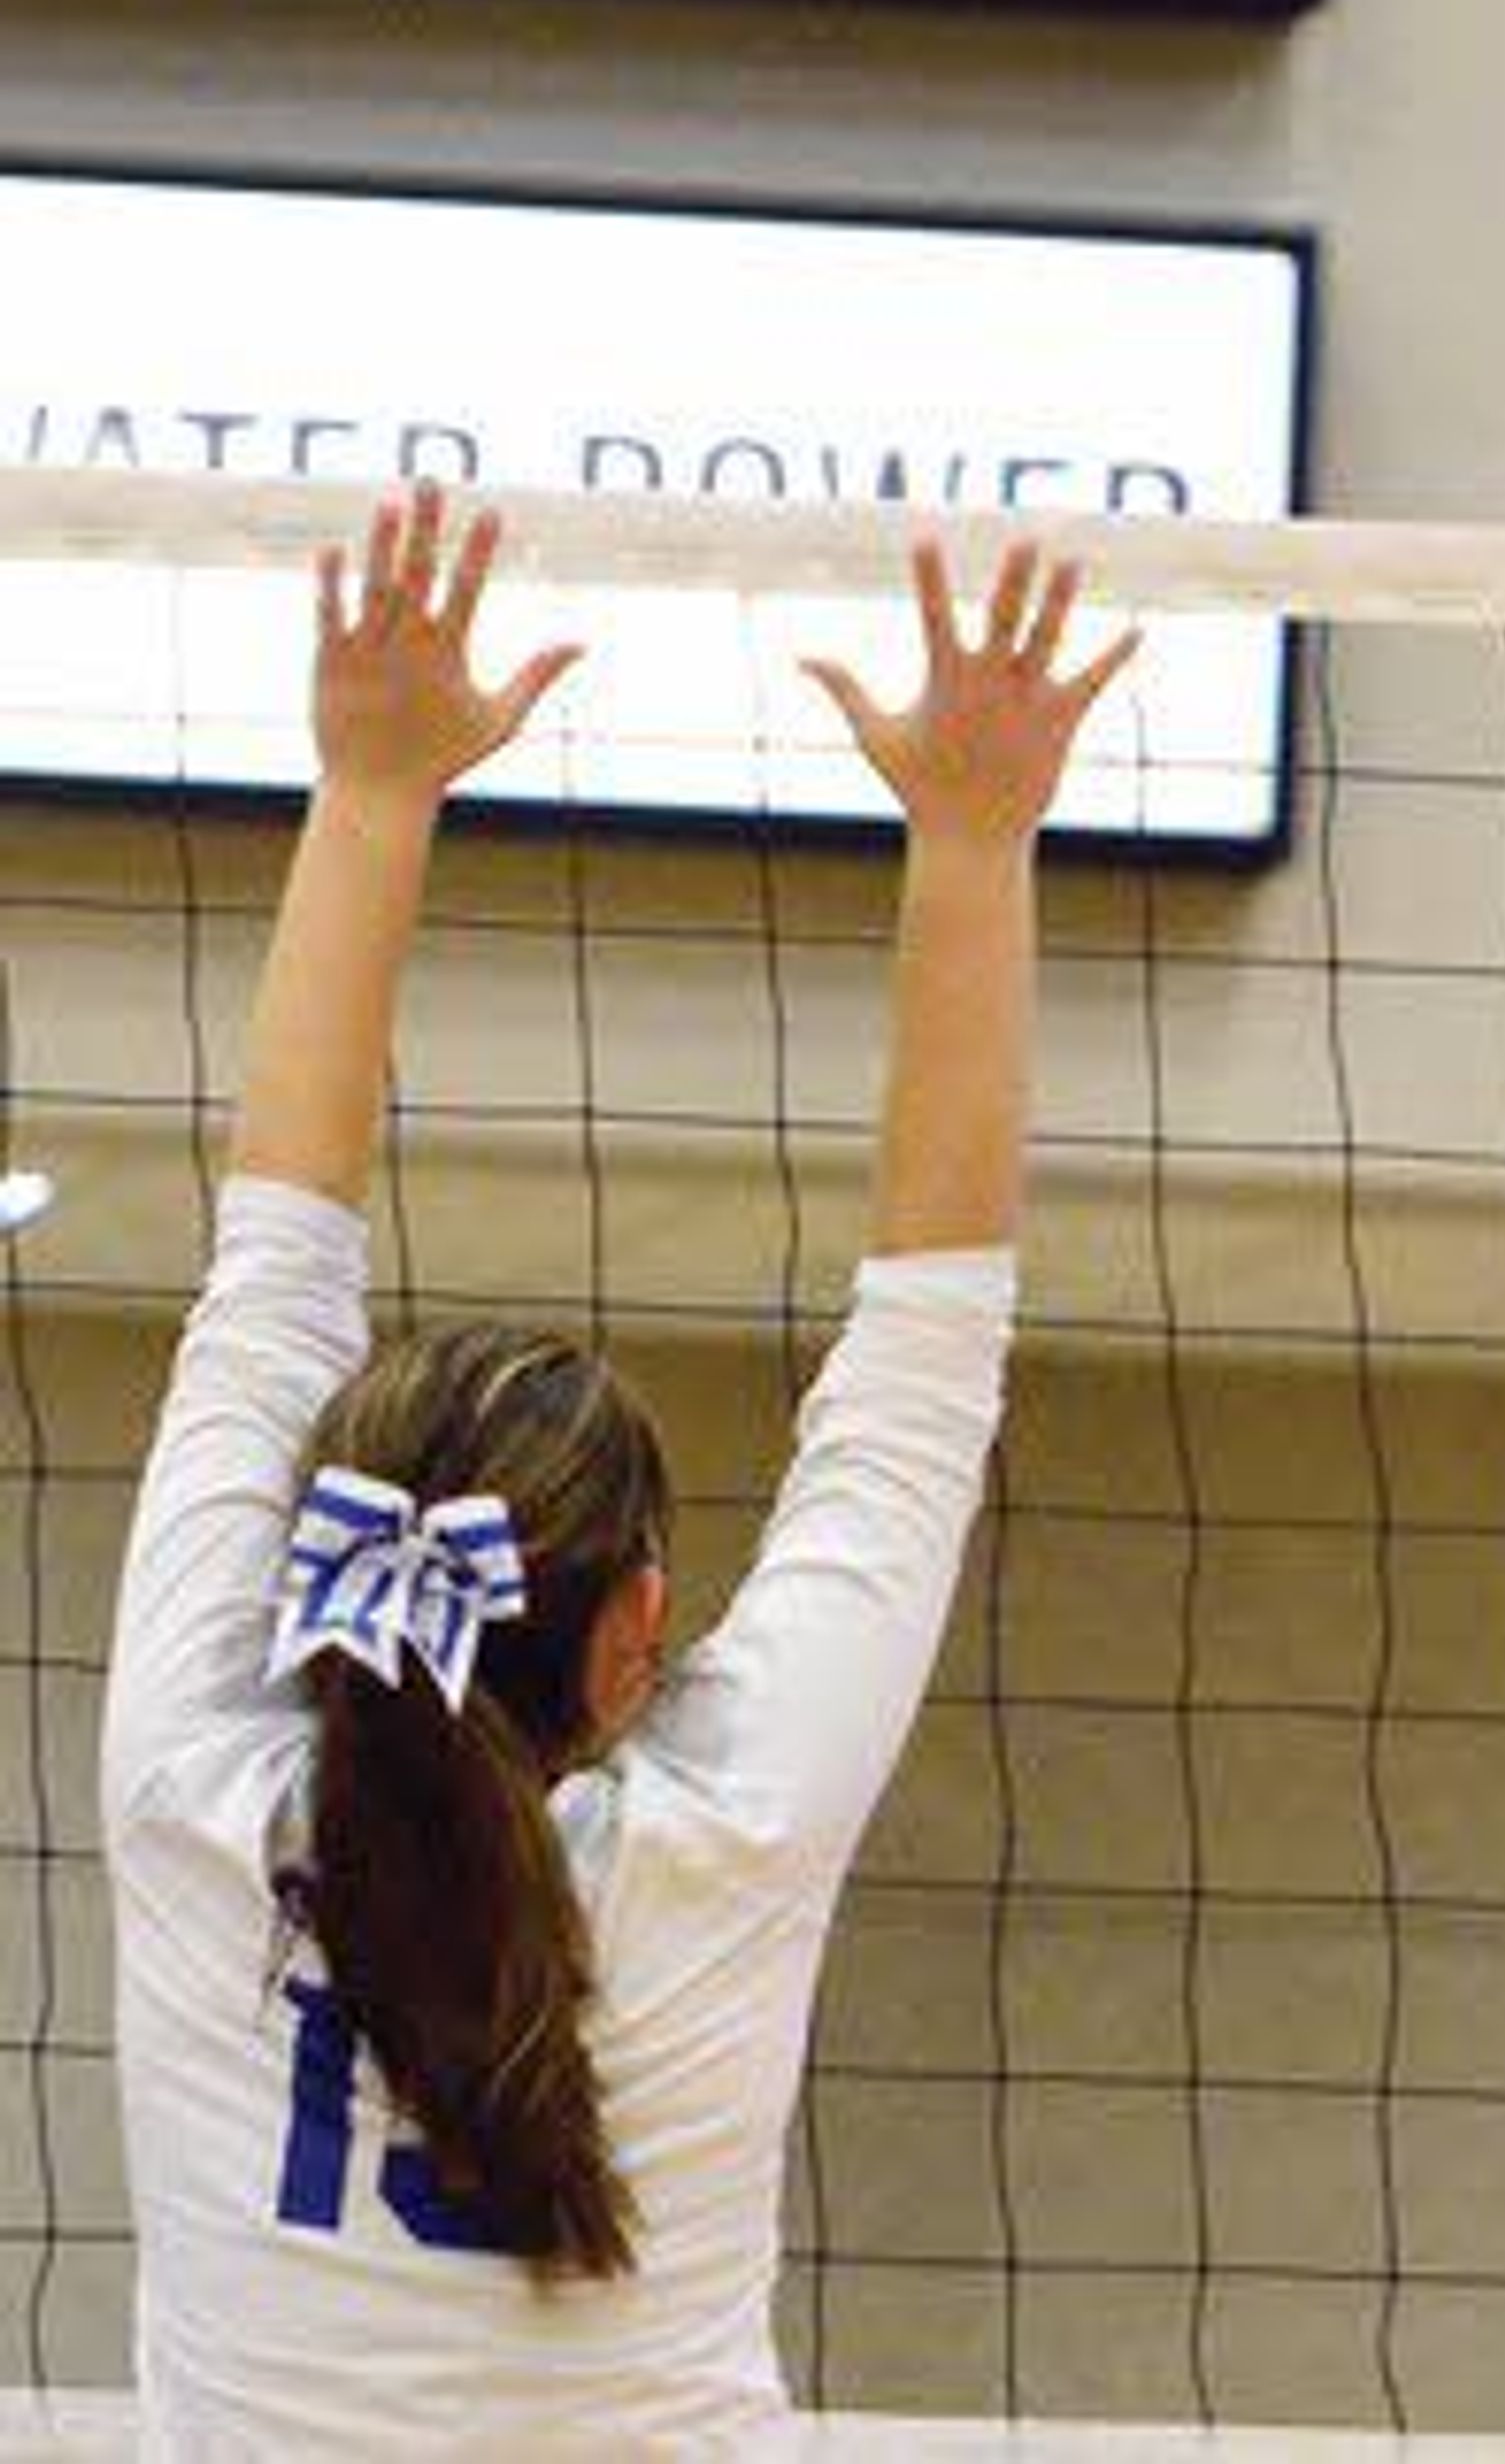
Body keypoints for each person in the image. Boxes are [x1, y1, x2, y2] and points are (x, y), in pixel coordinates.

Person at [104, 488, 1136, 2449]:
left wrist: (370, 789)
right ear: (635, 1627)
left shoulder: (193, 1790)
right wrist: (982, 838)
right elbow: (926, 1347)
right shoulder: (714, 1838)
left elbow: (270, 1272)